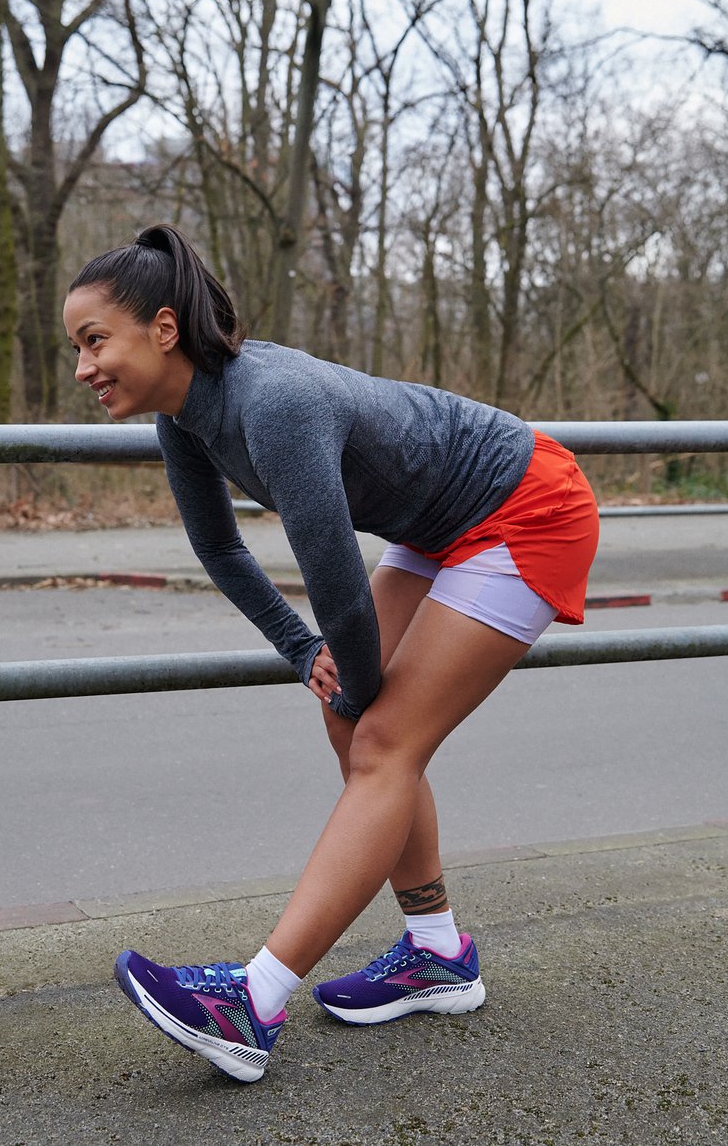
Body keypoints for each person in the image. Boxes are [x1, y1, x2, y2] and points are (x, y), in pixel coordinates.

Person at [63, 223, 599, 1084]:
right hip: (443, 525)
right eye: (77, 348)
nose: (84, 366)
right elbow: (223, 551)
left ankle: (252, 999)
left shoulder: (271, 401)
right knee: (353, 715)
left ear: (163, 329)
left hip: (528, 504)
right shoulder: (185, 420)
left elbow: (338, 579)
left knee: (383, 738)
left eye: (95, 341)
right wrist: (302, 648)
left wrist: (345, 662)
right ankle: (436, 950)